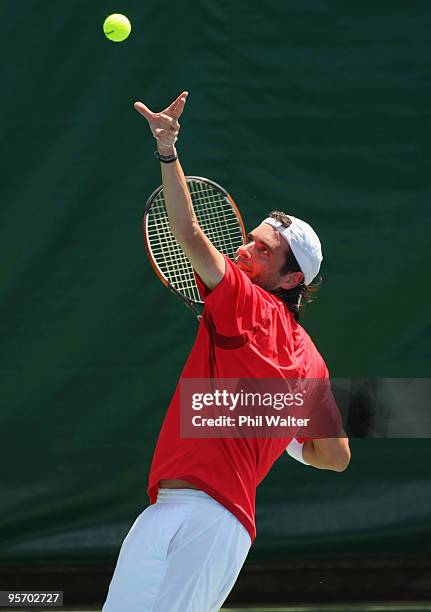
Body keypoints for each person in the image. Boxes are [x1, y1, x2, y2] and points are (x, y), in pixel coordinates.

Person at [102, 92, 351, 612]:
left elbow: (189, 234)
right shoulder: (312, 362)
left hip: (211, 523)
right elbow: (334, 456)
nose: (243, 249)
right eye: (250, 239)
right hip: (175, 513)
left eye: (262, 250)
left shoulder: (245, 299)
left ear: (291, 278)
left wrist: (167, 150)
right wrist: (276, 433)